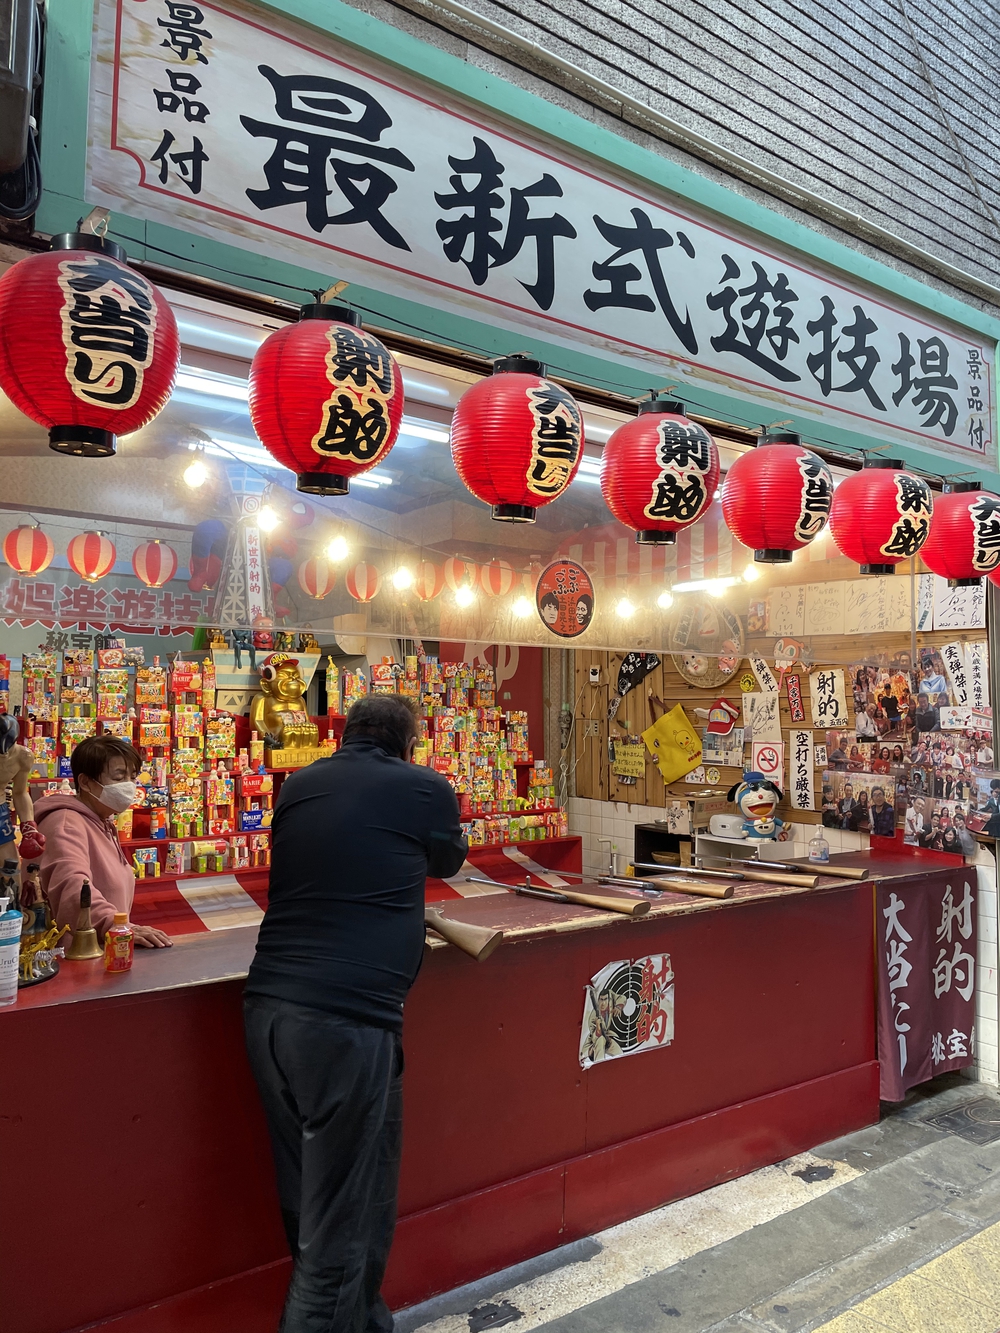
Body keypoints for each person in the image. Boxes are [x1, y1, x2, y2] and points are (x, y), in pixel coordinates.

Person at [243, 695, 467, 1333]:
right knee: (338, 1227)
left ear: (344, 733)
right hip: (347, 1019)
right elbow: (447, 860)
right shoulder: (424, 788)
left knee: (317, 1200)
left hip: (269, 1012)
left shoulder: (298, 786)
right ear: (409, 741)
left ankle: (366, 1323)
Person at [33, 735, 172, 948]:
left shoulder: (101, 820)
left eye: (132, 778)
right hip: (76, 959)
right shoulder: (65, 823)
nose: (128, 786)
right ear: (86, 782)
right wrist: (114, 926)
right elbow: (72, 885)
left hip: (105, 952)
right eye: (118, 778)